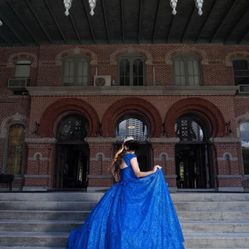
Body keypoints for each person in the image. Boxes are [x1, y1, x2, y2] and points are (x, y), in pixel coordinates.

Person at [67, 137, 185, 249]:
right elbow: (138, 174)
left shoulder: (121, 158)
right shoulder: (132, 157)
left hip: (119, 190)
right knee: (131, 219)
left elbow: (120, 177)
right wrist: (153, 171)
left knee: (118, 219)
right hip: (129, 190)